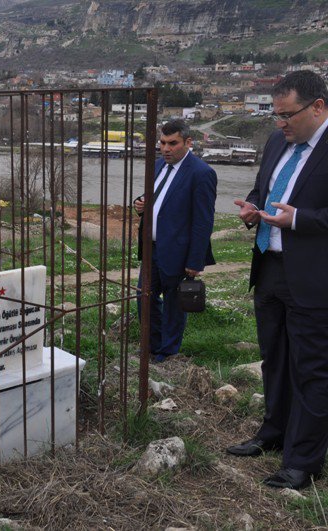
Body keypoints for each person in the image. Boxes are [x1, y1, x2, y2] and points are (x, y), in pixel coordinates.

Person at [228, 70, 328, 490]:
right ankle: (273, 432)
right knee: (274, 357)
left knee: (312, 368)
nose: (280, 123)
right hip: (269, 266)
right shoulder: (276, 142)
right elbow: (261, 190)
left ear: (319, 107)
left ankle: (303, 460)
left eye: (288, 115)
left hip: (315, 277)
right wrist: (253, 208)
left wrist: (299, 219)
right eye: (276, 115)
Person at [135, 120, 217, 363]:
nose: (166, 148)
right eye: (162, 142)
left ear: (188, 143)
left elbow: (203, 221)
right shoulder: (158, 165)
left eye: (173, 143)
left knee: (173, 305)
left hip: (178, 252)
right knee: (144, 298)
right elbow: (158, 201)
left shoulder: (202, 173)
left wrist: (195, 260)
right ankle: (153, 346)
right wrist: (141, 204)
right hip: (152, 249)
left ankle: (168, 352)